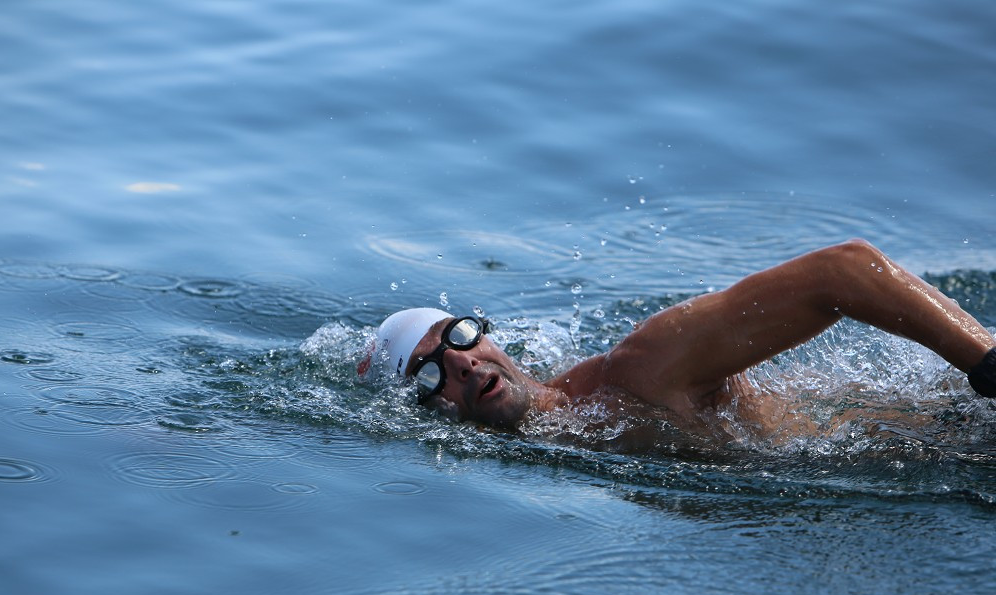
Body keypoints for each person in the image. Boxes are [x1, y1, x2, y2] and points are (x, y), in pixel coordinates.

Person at [359, 239, 996, 435]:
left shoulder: (635, 371)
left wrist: (988, 368)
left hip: (954, 430)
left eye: (459, 336)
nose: (463, 365)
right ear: (423, 410)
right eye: (429, 371)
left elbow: (843, 270)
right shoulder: (572, 437)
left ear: (489, 333)